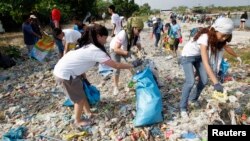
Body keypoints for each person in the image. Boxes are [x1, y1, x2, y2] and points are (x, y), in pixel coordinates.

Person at [53, 24, 142, 128]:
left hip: (67, 70)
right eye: (105, 37)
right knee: (79, 100)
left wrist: (83, 76)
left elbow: (79, 61)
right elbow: (116, 65)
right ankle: (77, 121)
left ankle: (88, 113)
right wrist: (133, 64)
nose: (106, 40)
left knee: (82, 94)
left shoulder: (89, 45)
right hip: (65, 74)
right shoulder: (95, 50)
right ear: (99, 36)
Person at [179, 17, 236, 118]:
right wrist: (216, 83)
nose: (224, 39)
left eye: (226, 37)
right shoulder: (204, 37)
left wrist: (237, 56)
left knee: (204, 80)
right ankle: (183, 107)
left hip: (198, 57)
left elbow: (220, 52)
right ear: (215, 31)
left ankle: (193, 99)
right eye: (223, 35)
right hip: (187, 56)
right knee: (190, 81)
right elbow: (206, 63)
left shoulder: (216, 39)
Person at [110, 17, 144, 95]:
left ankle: (134, 82)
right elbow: (116, 49)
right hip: (114, 49)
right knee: (116, 68)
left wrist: (141, 52)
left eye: (141, 30)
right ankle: (115, 87)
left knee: (133, 65)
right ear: (134, 28)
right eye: (139, 30)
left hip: (125, 49)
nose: (140, 32)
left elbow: (138, 45)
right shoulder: (123, 33)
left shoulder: (136, 35)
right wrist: (127, 53)